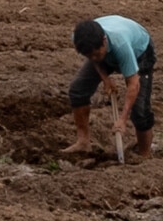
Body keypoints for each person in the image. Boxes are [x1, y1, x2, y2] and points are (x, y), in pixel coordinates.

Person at [67, 11, 156, 163]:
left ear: (104, 41)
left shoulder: (121, 45)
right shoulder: (80, 39)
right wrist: (105, 78)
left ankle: (145, 154)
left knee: (140, 110)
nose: (93, 58)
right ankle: (83, 142)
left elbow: (133, 84)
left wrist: (122, 119)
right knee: (78, 90)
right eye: (89, 55)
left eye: (96, 53)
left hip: (140, 51)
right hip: (109, 49)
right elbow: (93, 57)